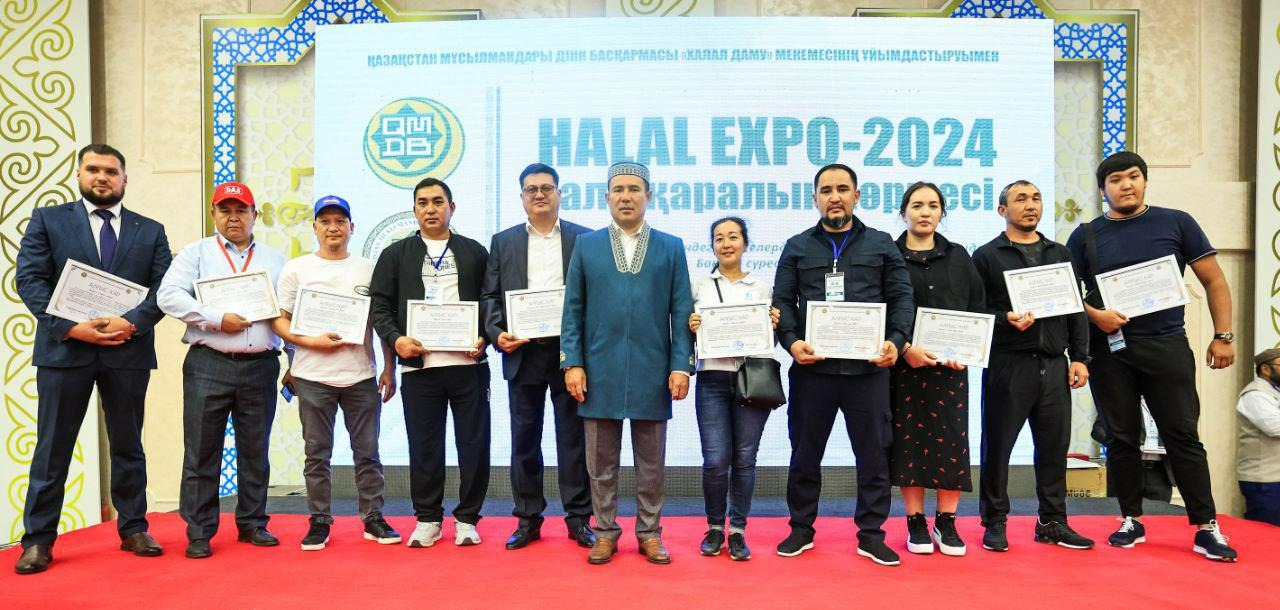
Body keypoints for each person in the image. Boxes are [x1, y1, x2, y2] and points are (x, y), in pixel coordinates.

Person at [1067, 150, 1238, 561]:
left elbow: (1214, 280)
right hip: (1111, 351)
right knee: (1121, 438)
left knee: (1183, 435)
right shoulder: (1085, 235)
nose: (1125, 185)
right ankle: (1130, 518)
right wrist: (1096, 316)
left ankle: (1206, 526)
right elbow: (1068, 295)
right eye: (1115, 180)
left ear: (1144, 181)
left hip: (1167, 345)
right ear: (1102, 189)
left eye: (1133, 176)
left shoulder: (1176, 222)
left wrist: (1223, 336)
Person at [13, 144, 172, 574]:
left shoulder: (150, 230)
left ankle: (134, 528)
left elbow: (165, 288)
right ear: (79, 174)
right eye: (93, 169)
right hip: (64, 351)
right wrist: (69, 327)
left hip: (127, 351)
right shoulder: (49, 220)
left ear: (125, 179)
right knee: (52, 448)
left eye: (111, 171)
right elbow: (29, 279)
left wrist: (132, 323)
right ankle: (38, 540)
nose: (102, 177)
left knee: (128, 445)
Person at [772, 163, 914, 567]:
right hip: (812, 371)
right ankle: (801, 528)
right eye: (826, 190)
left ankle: (871, 535)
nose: (834, 197)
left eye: (842, 189)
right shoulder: (797, 246)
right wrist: (791, 342)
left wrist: (896, 342)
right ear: (815, 198)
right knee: (804, 454)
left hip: (868, 372)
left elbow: (902, 298)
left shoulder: (882, 244)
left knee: (873, 456)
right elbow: (782, 301)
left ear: (856, 195)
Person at [561, 161, 695, 565]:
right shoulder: (587, 245)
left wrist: (680, 365)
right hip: (598, 370)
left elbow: (681, 311)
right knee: (599, 463)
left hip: (653, 371)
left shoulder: (671, 247)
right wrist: (572, 362)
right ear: (606, 197)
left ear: (648, 196)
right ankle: (604, 532)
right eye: (618, 190)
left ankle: (650, 533)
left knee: (651, 464)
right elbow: (573, 310)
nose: (625, 197)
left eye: (634, 189)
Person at [158, 181, 288, 559]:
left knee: (255, 451)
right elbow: (168, 296)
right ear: (213, 214)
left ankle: (253, 523)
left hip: (261, 365)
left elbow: (289, 313)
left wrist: (296, 361)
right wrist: (215, 318)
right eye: (226, 210)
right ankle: (199, 531)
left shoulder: (276, 260)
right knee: (201, 451)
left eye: (241, 210)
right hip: (208, 362)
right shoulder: (196, 253)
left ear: (254, 215)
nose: (234, 217)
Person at [270, 195, 401, 551]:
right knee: (317, 454)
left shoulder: (369, 269)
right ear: (314, 227)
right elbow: (278, 320)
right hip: (312, 376)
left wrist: (389, 368)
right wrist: (310, 341)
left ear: (351, 227)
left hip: (360, 375)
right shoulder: (296, 269)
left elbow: (381, 321)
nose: (333, 228)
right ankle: (319, 521)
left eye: (340, 221)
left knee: (368, 453)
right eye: (325, 221)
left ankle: (373, 518)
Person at [971, 180, 1093, 553]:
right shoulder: (987, 256)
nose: (1030, 205)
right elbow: (975, 311)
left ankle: (1053, 522)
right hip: (1009, 363)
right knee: (998, 448)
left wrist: (1081, 357)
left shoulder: (1059, 253)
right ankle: (994, 521)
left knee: (1054, 449)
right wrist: (1005, 319)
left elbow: (1075, 307)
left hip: (1054, 364)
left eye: (1036, 198)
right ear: (1002, 210)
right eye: (1020, 199)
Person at [369, 177, 490, 548]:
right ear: (414, 209)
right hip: (419, 368)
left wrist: (485, 336)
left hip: (469, 367)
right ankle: (427, 519)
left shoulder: (475, 251)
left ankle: (467, 519)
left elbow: (491, 301)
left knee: (474, 446)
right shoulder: (395, 254)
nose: (430, 209)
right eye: (423, 202)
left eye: (438, 201)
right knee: (424, 447)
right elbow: (379, 306)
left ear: (452, 208)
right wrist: (396, 340)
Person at [480, 163, 595, 550]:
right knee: (524, 440)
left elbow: (595, 296)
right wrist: (497, 333)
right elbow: (490, 296)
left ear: (560, 194)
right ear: (522, 197)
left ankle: (578, 519)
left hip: (569, 355)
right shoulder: (504, 241)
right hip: (523, 353)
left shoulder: (584, 238)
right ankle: (528, 518)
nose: (540, 194)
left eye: (547, 188)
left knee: (573, 440)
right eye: (532, 189)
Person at [890, 182, 985, 557]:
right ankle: (915, 521)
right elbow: (880, 308)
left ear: (942, 213)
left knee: (951, 440)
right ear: (904, 213)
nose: (925, 212)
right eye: (917, 205)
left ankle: (946, 521)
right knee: (908, 441)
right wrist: (905, 349)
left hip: (950, 368)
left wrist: (970, 348)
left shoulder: (959, 256)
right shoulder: (889, 255)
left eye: (932, 205)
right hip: (904, 366)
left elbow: (977, 307)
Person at [687, 216, 780, 561]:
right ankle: (714, 527)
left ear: (745, 243)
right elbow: (685, 334)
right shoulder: (699, 286)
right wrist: (690, 325)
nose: (726, 244)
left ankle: (738, 530)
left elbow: (769, 341)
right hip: (712, 378)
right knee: (715, 461)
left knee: (744, 458)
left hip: (751, 377)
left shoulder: (762, 288)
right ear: (712, 246)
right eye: (719, 238)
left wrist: (773, 324)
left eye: (732, 237)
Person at [1236, 348, 1280, 526]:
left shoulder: (1274, 392)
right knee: (1268, 533)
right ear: (1265, 369)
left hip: (1275, 479)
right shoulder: (1255, 394)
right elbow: (1274, 427)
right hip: (1265, 480)